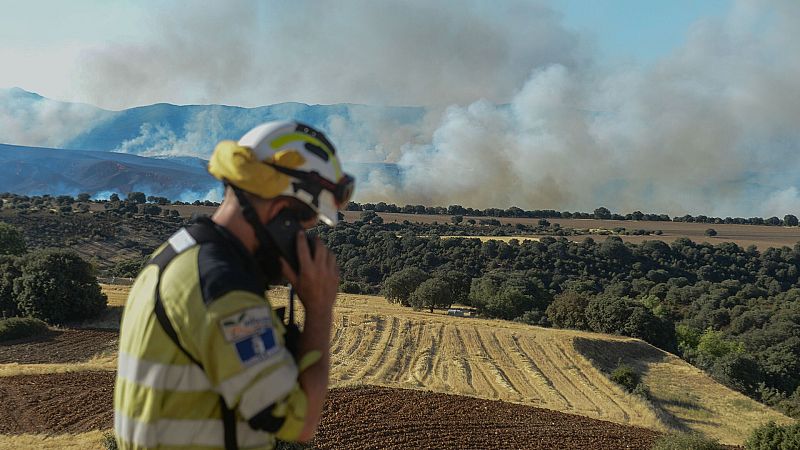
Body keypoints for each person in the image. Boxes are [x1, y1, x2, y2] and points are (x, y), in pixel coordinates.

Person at [114, 121, 355, 450]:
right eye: (303, 226)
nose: (302, 240)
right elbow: (299, 421)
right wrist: (319, 308)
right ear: (282, 211)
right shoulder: (224, 289)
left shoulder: (176, 255)